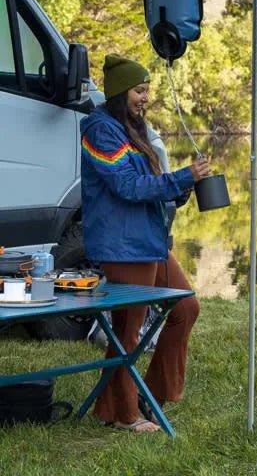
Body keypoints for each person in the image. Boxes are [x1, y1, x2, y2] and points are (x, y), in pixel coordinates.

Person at [80, 54, 210, 432]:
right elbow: (127, 186)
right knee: (127, 331)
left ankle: (149, 395)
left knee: (186, 307)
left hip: (148, 239)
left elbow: (152, 185)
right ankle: (124, 414)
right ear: (120, 91)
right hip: (122, 243)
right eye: (139, 90)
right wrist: (180, 177)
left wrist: (184, 187)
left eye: (147, 90)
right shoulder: (99, 130)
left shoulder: (134, 129)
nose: (145, 98)